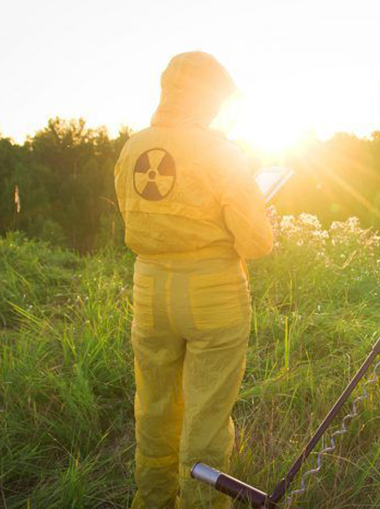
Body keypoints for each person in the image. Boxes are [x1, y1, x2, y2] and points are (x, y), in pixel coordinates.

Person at [114, 51, 274, 508]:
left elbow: (132, 215)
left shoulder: (132, 148)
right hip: (212, 294)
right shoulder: (220, 151)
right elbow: (257, 242)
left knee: (155, 408)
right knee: (205, 418)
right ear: (206, 98)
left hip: (149, 291)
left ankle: (153, 500)